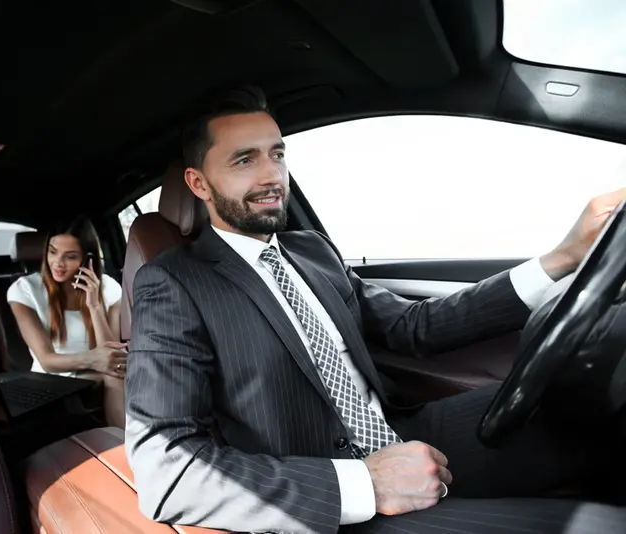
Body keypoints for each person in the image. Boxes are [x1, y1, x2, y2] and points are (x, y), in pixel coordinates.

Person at [124, 85, 626, 533]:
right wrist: (365, 485)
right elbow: (168, 469)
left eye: (277, 154)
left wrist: (563, 257)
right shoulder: (172, 284)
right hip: (330, 493)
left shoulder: (310, 250)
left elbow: (415, 327)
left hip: (405, 433)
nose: (272, 175)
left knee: (586, 403)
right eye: (244, 161)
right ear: (198, 184)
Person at [8, 215, 128, 428]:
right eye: (52, 252)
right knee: (115, 371)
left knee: (118, 370)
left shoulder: (109, 288)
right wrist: (94, 359)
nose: (58, 263)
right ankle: (123, 440)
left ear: (87, 259)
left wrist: (95, 306)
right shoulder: (24, 289)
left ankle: (124, 441)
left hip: (98, 372)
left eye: (70, 256)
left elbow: (111, 354)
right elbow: (46, 360)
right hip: (51, 378)